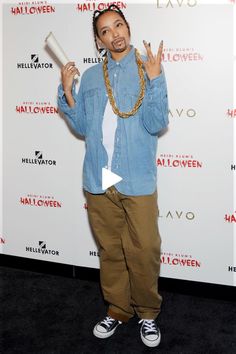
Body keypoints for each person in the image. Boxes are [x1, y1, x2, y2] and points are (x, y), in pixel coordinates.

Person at [58, 4, 169, 348]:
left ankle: (147, 314)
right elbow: (80, 127)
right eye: (105, 30)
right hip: (98, 177)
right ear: (99, 40)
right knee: (110, 250)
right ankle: (118, 309)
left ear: (128, 28)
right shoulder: (91, 77)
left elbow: (156, 123)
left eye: (118, 25)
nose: (114, 34)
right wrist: (67, 91)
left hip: (135, 176)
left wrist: (155, 80)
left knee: (145, 248)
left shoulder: (146, 67)